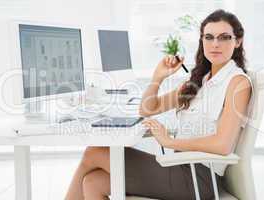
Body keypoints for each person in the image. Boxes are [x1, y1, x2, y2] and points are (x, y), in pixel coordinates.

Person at [65, 9, 252, 200]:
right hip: (180, 166)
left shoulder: (237, 82)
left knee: (94, 152)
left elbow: (223, 145)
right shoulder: (201, 80)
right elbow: (148, 109)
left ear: (237, 41)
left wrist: (170, 142)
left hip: (198, 178)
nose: (215, 44)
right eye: (209, 37)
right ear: (202, 41)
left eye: (224, 37)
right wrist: (159, 77)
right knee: (92, 182)